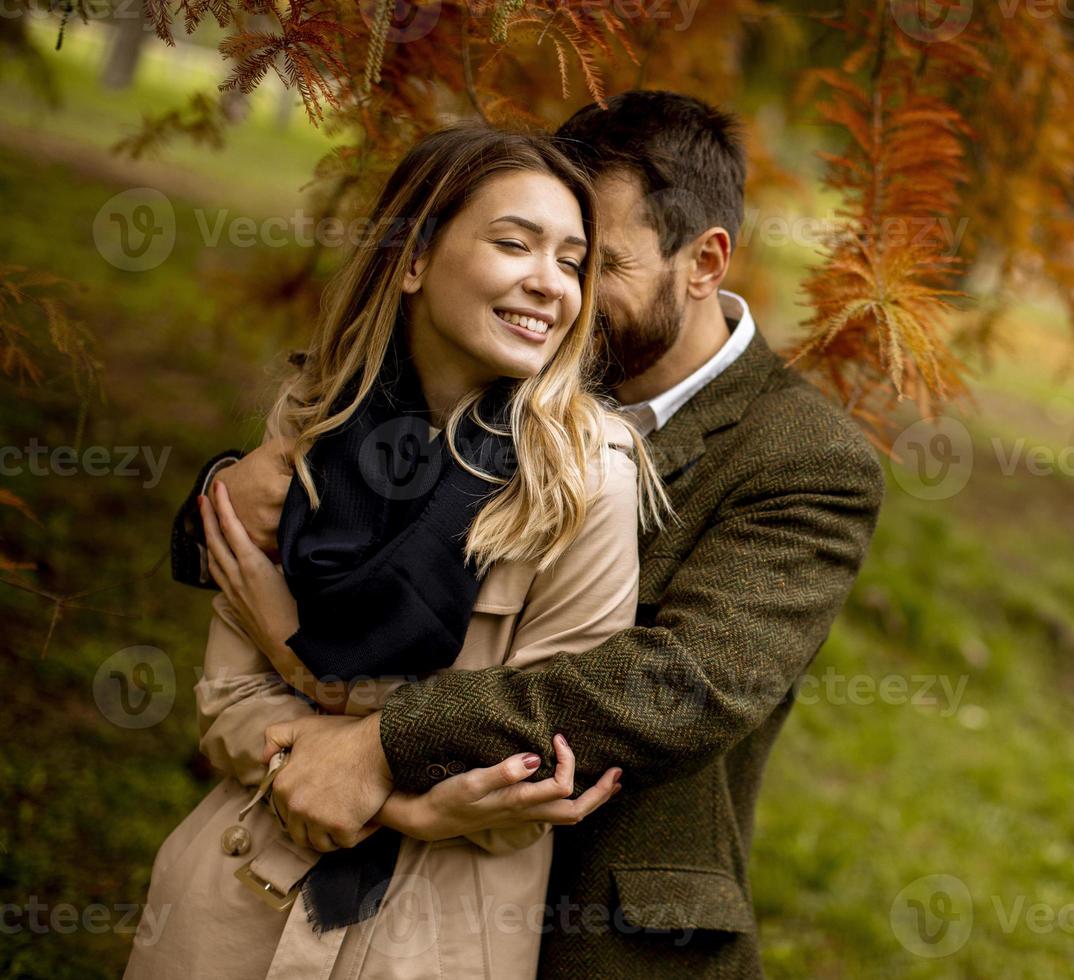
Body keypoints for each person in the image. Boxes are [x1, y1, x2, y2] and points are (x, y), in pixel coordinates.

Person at [175, 91, 886, 976]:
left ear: (702, 263)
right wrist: (220, 498)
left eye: (596, 263)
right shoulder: (477, 384)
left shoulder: (801, 457)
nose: (561, 290)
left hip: (599, 924)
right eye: (525, 245)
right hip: (340, 880)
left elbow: (687, 681)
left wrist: (377, 742)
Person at [128, 124, 656, 979]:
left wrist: (294, 649)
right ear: (413, 259)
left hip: (431, 939)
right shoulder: (312, 421)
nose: (548, 284)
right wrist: (410, 805)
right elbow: (226, 705)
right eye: (514, 244)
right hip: (231, 905)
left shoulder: (587, 478)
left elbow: (553, 756)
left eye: (570, 260)